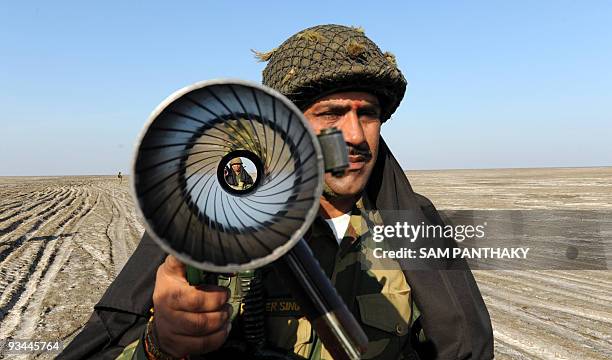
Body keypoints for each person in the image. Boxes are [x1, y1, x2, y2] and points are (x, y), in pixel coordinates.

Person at [60, 24, 493, 359]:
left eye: (369, 114)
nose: (355, 135)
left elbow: (457, 343)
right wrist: (162, 343)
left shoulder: (412, 222)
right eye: (331, 114)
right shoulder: (213, 222)